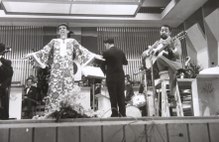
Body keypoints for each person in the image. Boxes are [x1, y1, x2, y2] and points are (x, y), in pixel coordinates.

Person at [25, 24, 98, 116]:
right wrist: (33, 54)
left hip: (68, 68)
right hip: (56, 68)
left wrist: (94, 55)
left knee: (68, 87)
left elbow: (82, 50)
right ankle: (53, 111)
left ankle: (70, 110)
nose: (62, 30)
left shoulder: (72, 41)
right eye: (60, 29)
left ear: (68, 31)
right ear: (58, 32)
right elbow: (44, 51)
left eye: (64, 28)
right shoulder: (54, 41)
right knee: (55, 87)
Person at [146, 25, 182, 97]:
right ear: (160, 32)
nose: (164, 32)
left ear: (170, 33)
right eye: (162, 30)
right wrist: (152, 50)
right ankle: (179, 69)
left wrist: (172, 48)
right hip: (161, 66)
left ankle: (172, 96)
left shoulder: (175, 41)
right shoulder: (157, 43)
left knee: (171, 70)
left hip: (172, 62)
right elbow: (147, 53)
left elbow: (178, 55)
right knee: (159, 58)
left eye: (166, 30)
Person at [101, 38, 128, 117]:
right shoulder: (121, 51)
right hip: (120, 77)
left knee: (113, 96)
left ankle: (114, 114)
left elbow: (102, 65)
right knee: (121, 95)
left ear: (107, 44)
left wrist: (104, 74)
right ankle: (123, 114)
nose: (105, 46)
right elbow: (125, 62)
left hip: (111, 77)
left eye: (105, 45)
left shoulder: (106, 53)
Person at [0, 43, 13, 120]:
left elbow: (9, 74)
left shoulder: (7, 63)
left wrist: (3, 84)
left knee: (3, 103)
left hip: (2, 87)